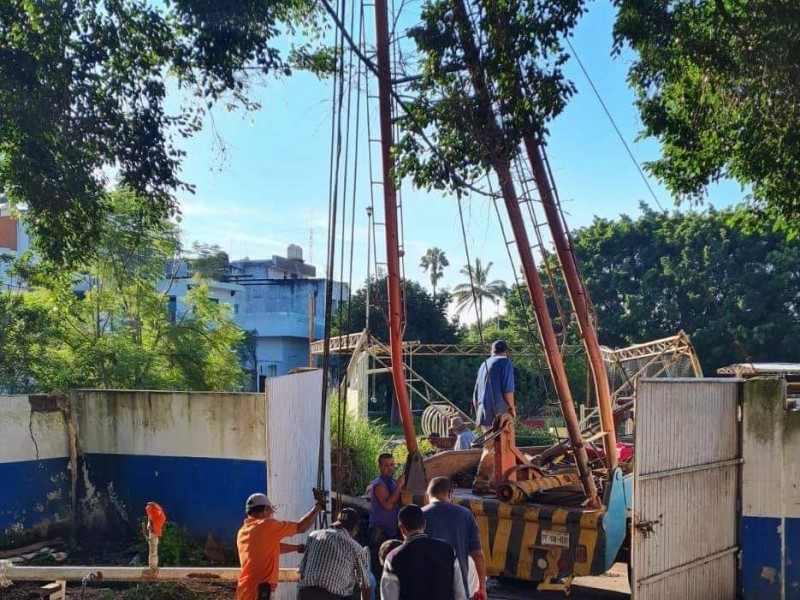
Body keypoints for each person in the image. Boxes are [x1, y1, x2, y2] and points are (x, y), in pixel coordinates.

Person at [235, 492, 323, 600]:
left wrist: (297, 547)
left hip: (243, 591)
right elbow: (301, 527)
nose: (271, 515)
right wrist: (317, 507)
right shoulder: (267, 525)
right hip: (259, 593)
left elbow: (271, 547)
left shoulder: (243, 531)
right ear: (266, 510)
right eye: (271, 512)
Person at [380, 504, 467, 600]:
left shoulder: (393, 558)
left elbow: (389, 596)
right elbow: (460, 594)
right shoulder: (448, 550)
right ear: (424, 524)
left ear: (401, 528)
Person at [423, 477, 487, 600]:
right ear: (450, 494)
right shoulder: (465, 514)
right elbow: (477, 554)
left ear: (426, 496)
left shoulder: (419, 515)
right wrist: (482, 586)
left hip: (427, 584)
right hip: (457, 584)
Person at [298, 508, 373, 600]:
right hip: (333, 596)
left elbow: (302, 570)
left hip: (306, 594)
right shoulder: (355, 547)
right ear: (354, 528)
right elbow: (365, 584)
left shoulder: (313, 535)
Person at [472, 339, 516, 492]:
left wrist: (478, 414)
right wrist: (512, 408)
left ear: (492, 351)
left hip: (483, 411)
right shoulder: (505, 363)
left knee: (491, 447)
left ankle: (492, 482)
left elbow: (475, 393)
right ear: (506, 351)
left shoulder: (483, 365)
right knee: (492, 448)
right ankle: (481, 482)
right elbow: (508, 390)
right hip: (498, 412)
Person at [367, 453, 405, 580]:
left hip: (392, 531)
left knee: (391, 566)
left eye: (392, 465)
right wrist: (399, 486)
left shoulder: (393, 482)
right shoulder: (378, 484)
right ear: (380, 467)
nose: (389, 468)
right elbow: (388, 505)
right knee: (378, 568)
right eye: (385, 465)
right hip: (379, 532)